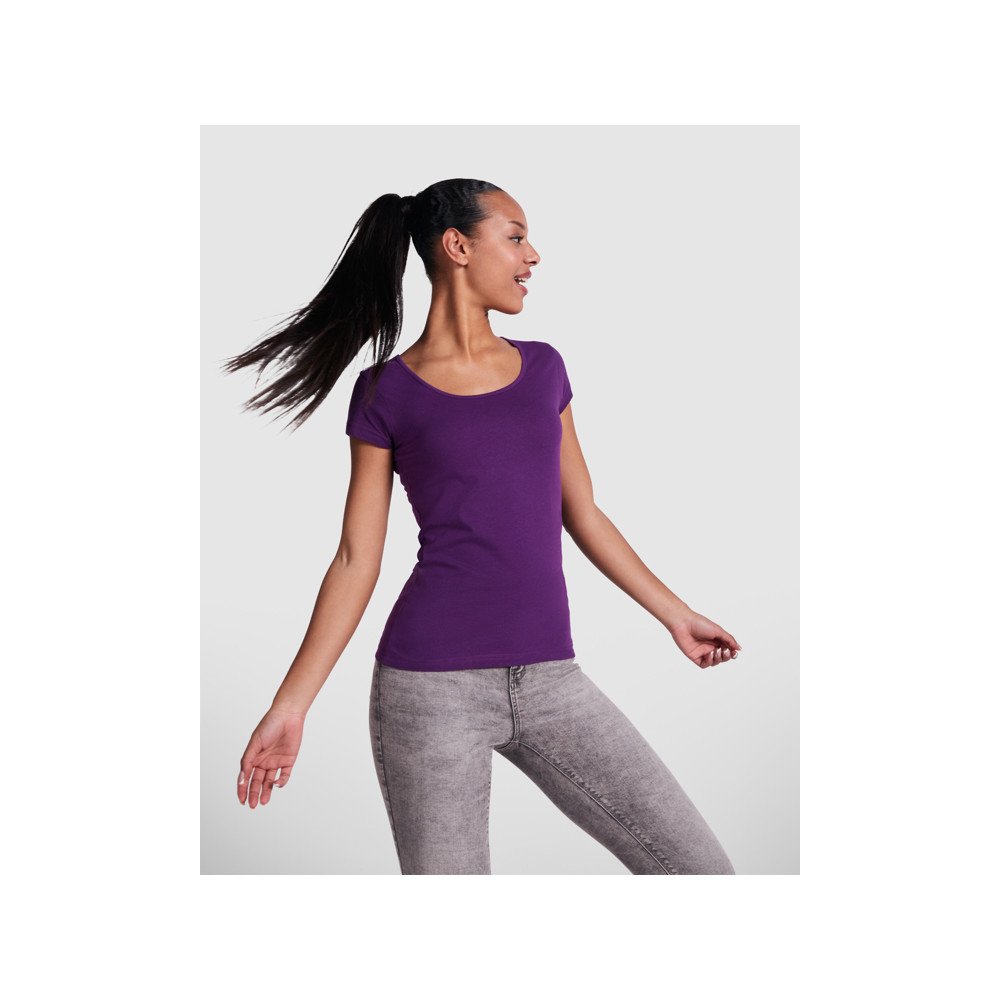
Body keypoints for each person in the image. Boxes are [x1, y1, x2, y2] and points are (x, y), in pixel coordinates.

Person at [224, 178, 741, 874]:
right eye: (516, 236)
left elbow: (583, 511)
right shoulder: (384, 392)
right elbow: (355, 557)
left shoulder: (543, 368)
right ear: (458, 246)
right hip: (429, 691)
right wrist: (291, 706)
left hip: (553, 681)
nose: (533, 255)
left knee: (700, 870)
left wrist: (675, 615)